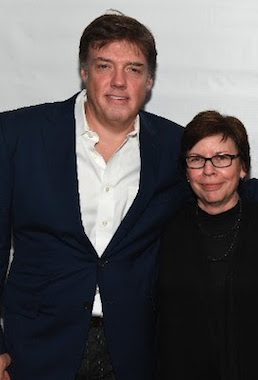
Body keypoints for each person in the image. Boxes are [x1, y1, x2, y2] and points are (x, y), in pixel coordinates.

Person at [0, 12, 187, 379]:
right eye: (105, 65)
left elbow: (231, 187)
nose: (119, 82)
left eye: (133, 69)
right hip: (35, 350)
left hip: (135, 352)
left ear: (149, 81)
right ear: (84, 72)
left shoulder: (174, 146)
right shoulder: (17, 135)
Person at [157, 110, 258, 379]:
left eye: (222, 158)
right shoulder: (165, 229)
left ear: (243, 167)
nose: (209, 170)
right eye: (196, 159)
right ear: (185, 169)